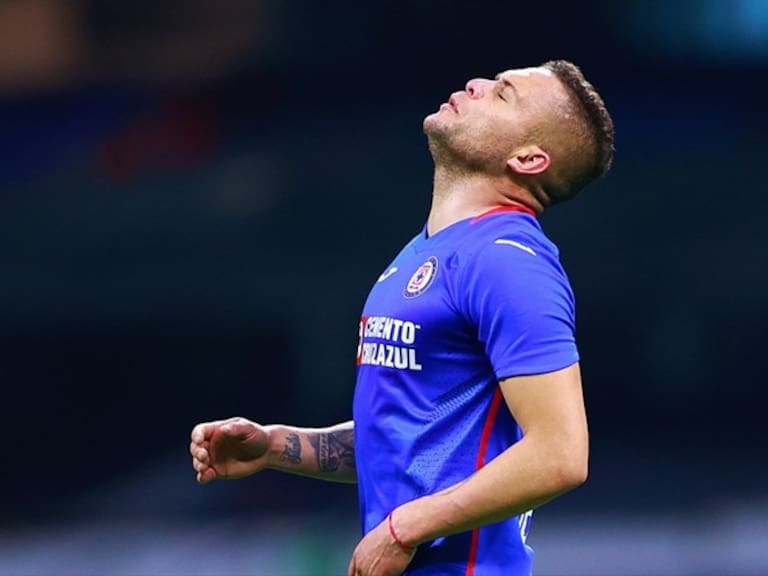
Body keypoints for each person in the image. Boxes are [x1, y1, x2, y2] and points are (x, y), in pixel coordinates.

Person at [190, 59, 615, 576]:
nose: (477, 84)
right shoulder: (427, 252)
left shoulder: (507, 259)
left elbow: (560, 455)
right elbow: (413, 437)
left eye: (503, 94)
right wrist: (278, 445)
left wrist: (402, 528)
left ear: (528, 159)